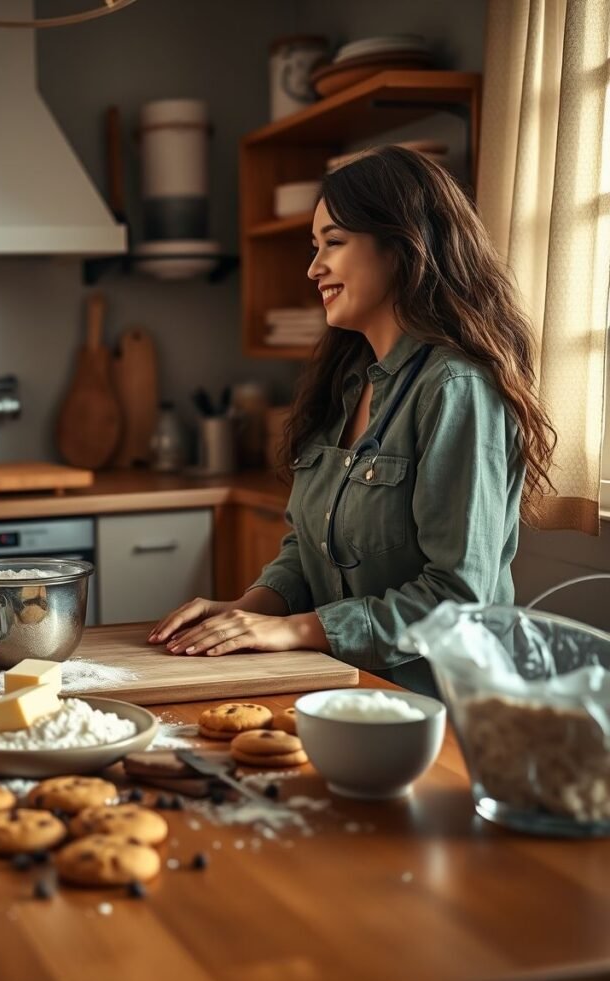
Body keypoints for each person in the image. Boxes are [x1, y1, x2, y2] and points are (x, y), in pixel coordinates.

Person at [149, 145, 556, 694]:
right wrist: (246, 614)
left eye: (333, 243)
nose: (314, 267)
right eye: (315, 247)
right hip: (342, 688)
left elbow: (458, 601)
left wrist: (291, 630)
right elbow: (307, 547)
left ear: (404, 245)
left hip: (436, 708)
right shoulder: (345, 383)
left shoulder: (457, 389)